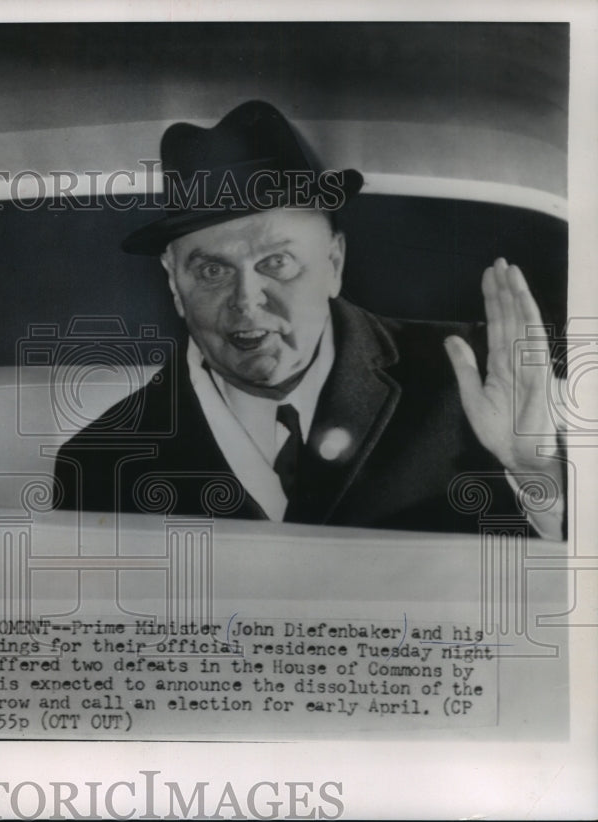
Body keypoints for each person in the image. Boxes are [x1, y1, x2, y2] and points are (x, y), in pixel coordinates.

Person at [54, 101, 565, 537]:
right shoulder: (98, 463)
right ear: (174, 283)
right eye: (211, 270)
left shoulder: (473, 378)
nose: (246, 301)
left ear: (334, 263)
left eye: (276, 262)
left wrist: (539, 477)